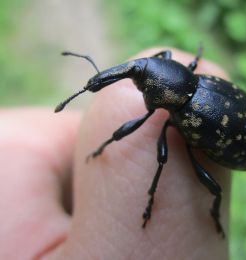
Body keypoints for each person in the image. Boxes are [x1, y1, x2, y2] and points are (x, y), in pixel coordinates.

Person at [0, 48, 230, 259]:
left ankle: (189, 207)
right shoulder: (187, 80)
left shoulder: (185, 105)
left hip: (236, 146)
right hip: (211, 93)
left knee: (169, 164)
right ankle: (106, 148)